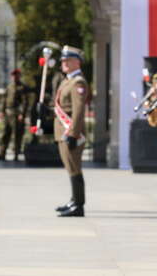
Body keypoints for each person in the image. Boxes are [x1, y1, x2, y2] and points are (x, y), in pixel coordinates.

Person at [52, 45, 90, 217]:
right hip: (63, 131)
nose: (64, 63)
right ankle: (74, 200)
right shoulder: (66, 80)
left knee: (75, 168)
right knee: (70, 168)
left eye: (68, 60)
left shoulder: (78, 82)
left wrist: (73, 134)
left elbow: (79, 110)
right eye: (63, 60)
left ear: (77, 62)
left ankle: (79, 205)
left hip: (71, 132)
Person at [0, 68, 29, 161]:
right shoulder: (10, 86)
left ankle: (16, 154)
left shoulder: (22, 87)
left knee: (16, 135)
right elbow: (4, 99)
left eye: (16, 75)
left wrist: (22, 114)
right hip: (8, 113)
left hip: (16, 114)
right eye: (13, 75)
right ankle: (2, 153)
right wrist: (1, 111)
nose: (14, 76)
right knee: (5, 134)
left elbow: (25, 102)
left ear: (19, 75)